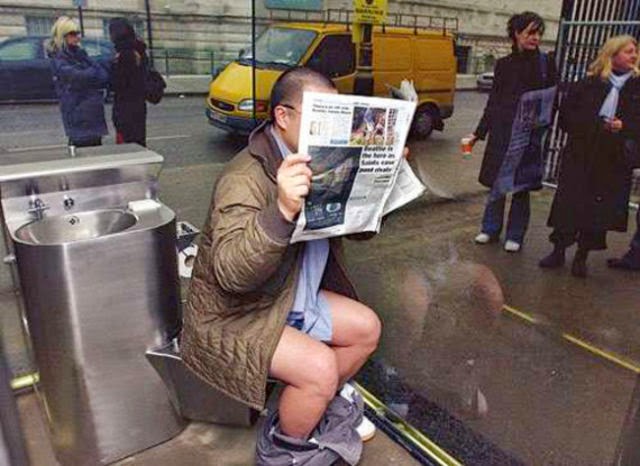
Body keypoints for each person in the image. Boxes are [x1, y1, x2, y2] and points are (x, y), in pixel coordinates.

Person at [181, 68, 381, 447]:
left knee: (366, 329)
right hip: (239, 310)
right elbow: (231, 274)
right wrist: (282, 210)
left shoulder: (322, 160)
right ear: (283, 117)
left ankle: (314, 403)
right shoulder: (243, 177)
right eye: (321, 116)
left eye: (338, 117)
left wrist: (375, 187)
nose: (334, 129)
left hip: (288, 294)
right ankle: (287, 447)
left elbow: (359, 232)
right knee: (319, 367)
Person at [539, 35, 640, 277]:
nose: (634, 55)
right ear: (612, 54)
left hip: (613, 159)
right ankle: (558, 250)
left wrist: (624, 126)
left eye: (635, 51)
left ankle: (582, 256)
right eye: (628, 51)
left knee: (597, 211)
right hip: (581, 153)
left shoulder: (636, 88)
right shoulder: (588, 84)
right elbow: (566, 117)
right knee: (569, 204)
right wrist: (594, 125)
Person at [466, 12, 557, 253]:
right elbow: (494, 102)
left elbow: (553, 100)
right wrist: (478, 133)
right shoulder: (504, 65)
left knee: (521, 187)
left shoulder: (546, 63)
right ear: (516, 33)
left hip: (529, 134)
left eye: (539, 33)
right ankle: (490, 228)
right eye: (530, 33)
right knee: (497, 183)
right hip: (503, 133)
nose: (535, 38)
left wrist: (543, 125)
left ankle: (515, 234)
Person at [47, 16, 109, 147]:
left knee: (96, 152)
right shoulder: (59, 59)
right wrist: (93, 73)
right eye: (72, 34)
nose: (77, 37)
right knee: (82, 152)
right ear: (62, 36)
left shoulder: (80, 54)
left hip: (92, 114)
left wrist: (91, 72)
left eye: (77, 33)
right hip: (77, 115)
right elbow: (79, 77)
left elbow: (103, 76)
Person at [108, 18, 148, 146]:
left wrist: (113, 67)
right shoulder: (139, 50)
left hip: (125, 107)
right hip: (138, 104)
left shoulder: (124, 54)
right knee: (139, 140)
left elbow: (117, 83)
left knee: (127, 145)